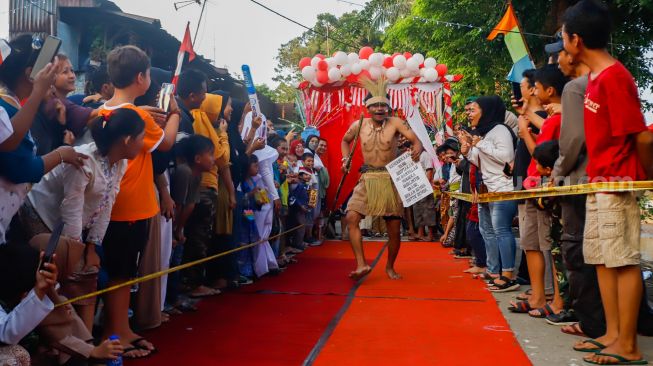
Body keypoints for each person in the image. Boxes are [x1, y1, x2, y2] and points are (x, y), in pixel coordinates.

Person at [562, 1, 653, 363]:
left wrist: (645, 176)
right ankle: (612, 334)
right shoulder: (594, 80)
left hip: (617, 183)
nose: (563, 44)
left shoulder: (616, 77)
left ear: (576, 40)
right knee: (601, 259)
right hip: (599, 183)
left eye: (564, 37)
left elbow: (642, 137)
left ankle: (628, 346)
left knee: (622, 261)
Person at [18, 108, 145, 331]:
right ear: (127, 140)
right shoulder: (83, 160)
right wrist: (75, 252)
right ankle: (52, 339)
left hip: (68, 226)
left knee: (87, 274)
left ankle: (82, 343)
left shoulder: (120, 162)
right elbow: (72, 209)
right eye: (141, 138)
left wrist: (92, 247)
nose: (143, 144)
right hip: (40, 215)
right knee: (57, 277)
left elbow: (106, 205)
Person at [98, 45, 180, 359]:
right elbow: (167, 142)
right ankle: (114, 332)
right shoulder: (134, 115)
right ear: (141, 79)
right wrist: (174, 114)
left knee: (122, 273)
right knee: (120, 275)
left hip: (116, 203)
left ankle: (122, 328)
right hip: (130, 204)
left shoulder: (104, 110)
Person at [0, 34, 87, 248]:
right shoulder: (9, 110)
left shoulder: (17, 107)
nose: (53, 78)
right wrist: (62, 154)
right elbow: (21, 168)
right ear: (30, 74)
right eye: (51, 72)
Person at [546, 32, 606, 335]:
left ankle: (592, 324)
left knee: (577, 251)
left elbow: (571, 142)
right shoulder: (607, 80)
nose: (556, 61)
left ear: (574, 48)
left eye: (559, 52)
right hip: (605, 180)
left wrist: (556, 176)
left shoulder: (575, 88)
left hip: (578, 182)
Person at [342, 78, 422, 280]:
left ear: (388, 107)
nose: (380, 109)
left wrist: (417, 148)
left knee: (394, 229)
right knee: (351, 217)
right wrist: (345, 159)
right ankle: (361, 265)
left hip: (389, 178)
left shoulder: (395, 122)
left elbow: (414, 138)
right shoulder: (358, 124)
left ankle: (390, 267)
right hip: (367, 178)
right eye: (376, 105)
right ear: (368, 107)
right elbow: (345, 140)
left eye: (383, 105)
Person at [510, 65, 567, 317]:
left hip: (543, 186)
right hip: (531, 186)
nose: (529, 91)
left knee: (548, 245)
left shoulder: (556, 120)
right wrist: (525, 119)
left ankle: (556, 299)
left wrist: (525, 134)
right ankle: (537, 295)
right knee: (530, 243)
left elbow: (542, 157)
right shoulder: (549, 119)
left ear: (547, 90)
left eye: (532, 87)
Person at [460, 96, 519, 292]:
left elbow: (507, 157)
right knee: (490, 232)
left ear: (486, 110)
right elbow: (481, 161)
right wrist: (468, 150)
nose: (469, 114)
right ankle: (495, 272)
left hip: (503, 189)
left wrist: (480, 144)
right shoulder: (486, 133)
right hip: (491, 189)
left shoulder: (500, 130)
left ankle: (508, 275)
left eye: (473, 110)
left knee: (502, 231)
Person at [168, 135, 215, 312]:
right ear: (197, 158)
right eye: (210, 154)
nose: (213, 159)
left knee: (177, 261)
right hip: (170, 224)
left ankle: (173, 298)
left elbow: (190, 205)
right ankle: (166, 301)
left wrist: (180, 230)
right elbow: (178, 205)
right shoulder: (184, 172)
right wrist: (174, 230)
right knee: (169, 262)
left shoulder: (196, 175)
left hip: (179, 226)